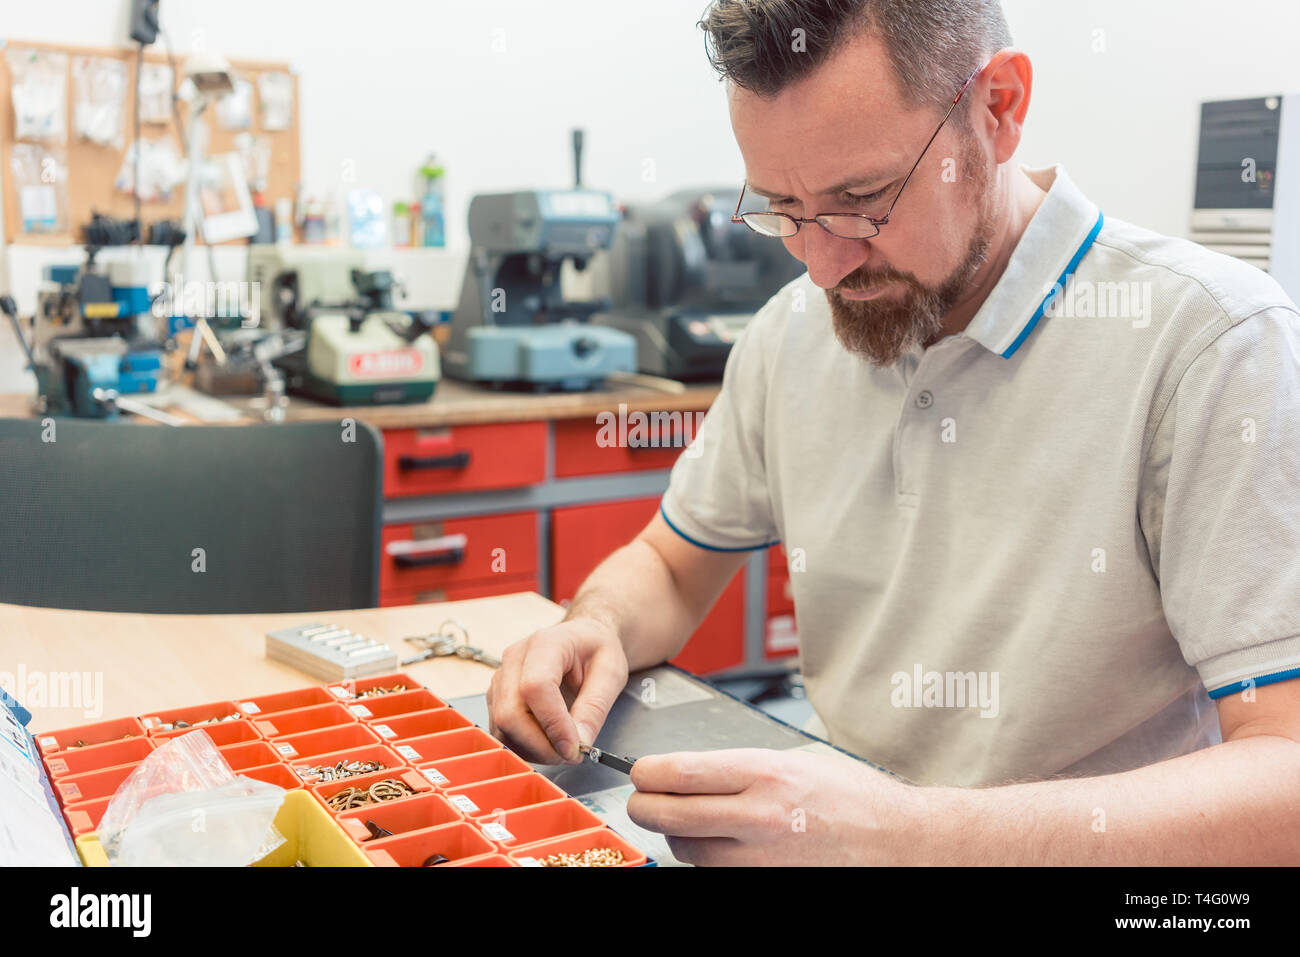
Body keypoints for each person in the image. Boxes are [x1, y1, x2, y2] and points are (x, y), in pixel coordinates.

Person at [487, 0, 1300, 865]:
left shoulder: (1213, 345)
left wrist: (903, 835)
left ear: (1000, 107)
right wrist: (596, 626)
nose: (822, 263)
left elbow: (1284, 776)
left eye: (862, 200)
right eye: (781, 207)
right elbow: (672, 565)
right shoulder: (788, 332)